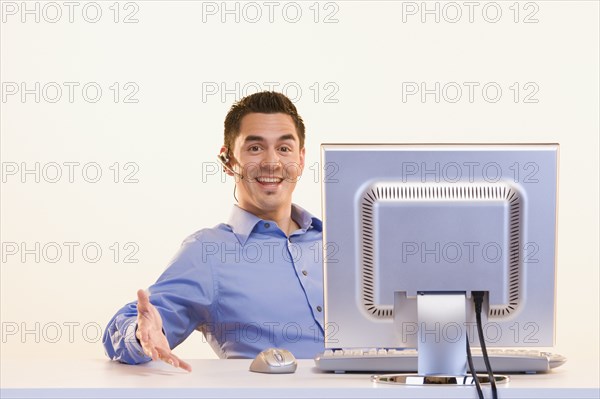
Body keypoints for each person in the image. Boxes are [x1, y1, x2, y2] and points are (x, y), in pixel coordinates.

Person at [102, 91, 325, 372]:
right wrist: (139, 332)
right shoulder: (208, 252)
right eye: (255, 148)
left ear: (301, 159)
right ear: (228, 160)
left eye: (284, 148)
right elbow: (136, 322)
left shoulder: (346, 240)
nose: (272, 162)